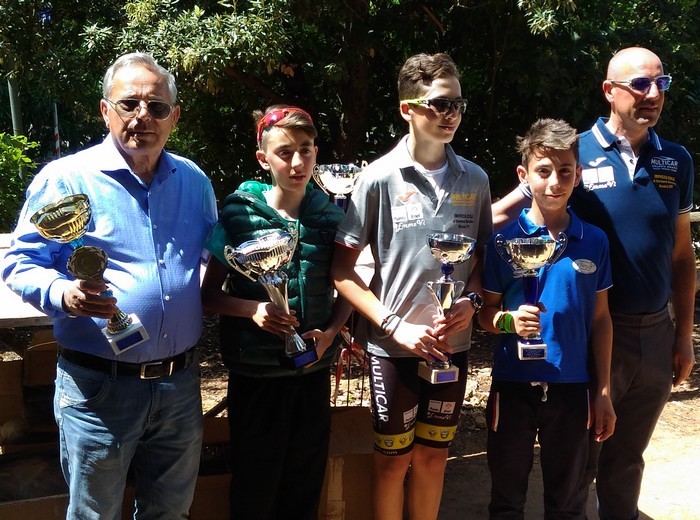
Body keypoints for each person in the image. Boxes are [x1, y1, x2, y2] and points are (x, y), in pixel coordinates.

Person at [2, 52, 217, 518]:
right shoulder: (65, 179)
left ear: (174, 117)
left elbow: (206, 258)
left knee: (171, 513)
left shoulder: (193, 181)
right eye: (129, 103)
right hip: (99, 388)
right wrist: (64, 294)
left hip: (179, 383)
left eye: (157, 107)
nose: (143, 116)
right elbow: (20, 262)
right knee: (95, 515)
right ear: (105, 110)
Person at [491, 47, 696, 519]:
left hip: (654, 331)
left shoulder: (677, 160)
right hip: (593, 330)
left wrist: (683, 334)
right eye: (640, 84)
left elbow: (682, 255)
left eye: (661, 84)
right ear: (609, 90)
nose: (652, 94)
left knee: (628, 457)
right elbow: (505, 212)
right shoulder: (572, 153)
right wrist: (458, 248)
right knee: (580, 459)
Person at [331, 53, 492, 520]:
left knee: (433, 458)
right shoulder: (377, 177)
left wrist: (473, 300)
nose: (451, 114)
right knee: (391, 463)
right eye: (439, 104)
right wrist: (394, 325)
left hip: (450, 347)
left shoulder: (476, 178)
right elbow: (342, 271)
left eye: (457, 104)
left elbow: (482, 259)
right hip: (393, 348)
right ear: (407, 108)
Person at [201, 105, 349, 520]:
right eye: (285, 152)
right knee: (256, 484)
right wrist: (253, 310)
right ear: (263, 158)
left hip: (311, 371)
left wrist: (331, 333)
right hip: (256, 376)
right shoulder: (239, 214)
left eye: (306, 149)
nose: (297, 162)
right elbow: (208, 296)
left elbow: (350, 286)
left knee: (304, 482)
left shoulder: (331, 216)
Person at [479, 118, 616, 519]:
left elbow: (601, 320)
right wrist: (508, 322)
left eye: (565, 171)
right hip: (512, 384)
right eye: (543, 171)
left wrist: (603, 391)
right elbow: (485, 314)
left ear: (579, 174)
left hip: (572, 387)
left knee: (567, 502)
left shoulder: (595, 240)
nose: (555, 182)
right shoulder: (503, 241)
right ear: (524, 176)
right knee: (507, 500)